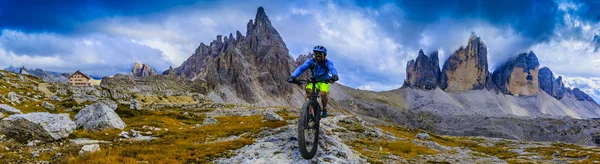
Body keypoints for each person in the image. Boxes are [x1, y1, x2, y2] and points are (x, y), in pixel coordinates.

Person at [288, 45, 339, 118]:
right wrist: (293, 76)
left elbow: (332, 68)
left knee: (323, 93)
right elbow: (302, 68)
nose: (318, 55)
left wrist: (334, 75)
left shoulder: (327, 62)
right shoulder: (311, 61)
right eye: (316, 53)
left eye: (320, 53)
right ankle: (309, 110)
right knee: (308, 90)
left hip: (324, 81)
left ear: (324, 55)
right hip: (314, 80)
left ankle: (324, 109)